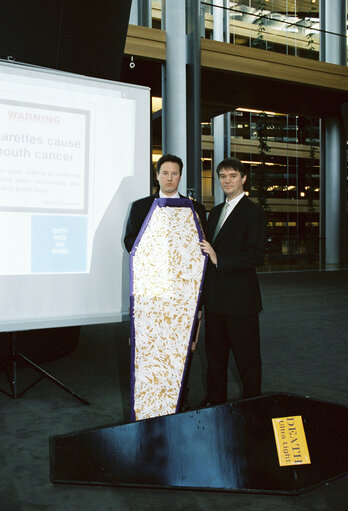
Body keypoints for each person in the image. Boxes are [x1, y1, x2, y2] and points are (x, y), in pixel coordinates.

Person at [199, 157, 266, 406]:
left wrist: (220, 259)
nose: (227, 181)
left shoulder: (253, 212)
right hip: (215, 300)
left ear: (243, 179)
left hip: (241, 301)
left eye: (233, 176)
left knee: (246, 360)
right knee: (215, 357)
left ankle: (252, 406)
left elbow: (256, 254)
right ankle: (214, 404)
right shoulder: (215, 212)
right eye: (223, 176)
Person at [124, 153, 207, 252]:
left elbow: (205, 245)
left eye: (174, 174)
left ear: (180, 177)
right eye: (165, 173)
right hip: (152, 265)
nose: (169, 178)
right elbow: (129, 243)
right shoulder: (140, 207)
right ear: (157, 175)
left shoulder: (197, 208)